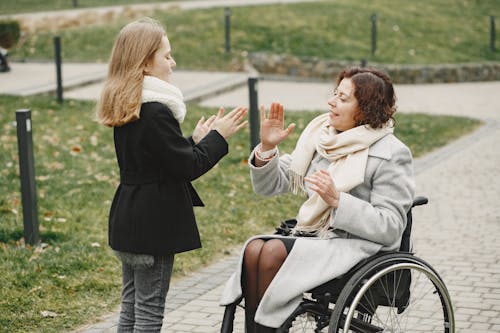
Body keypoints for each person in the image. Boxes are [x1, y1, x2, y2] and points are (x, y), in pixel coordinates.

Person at [220, 67, 415, 332]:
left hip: (357, 248)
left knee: (272, 251)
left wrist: (338, 201)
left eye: (343, 98)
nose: (331, 102)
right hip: (318, 239)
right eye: (335, 93)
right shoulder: (323, 138)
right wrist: (267, 149)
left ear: (365, 109)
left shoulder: (392, 153)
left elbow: (391, 227)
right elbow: (272, 185)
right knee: (254, 249)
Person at [96, 18, 247, 332]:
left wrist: (194, 141)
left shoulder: (129, 105)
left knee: (130, 307)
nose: (173, 62)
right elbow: (187, 167)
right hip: (154, 225)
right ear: (146, 64)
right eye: (166, 55)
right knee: (149, 313)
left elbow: (159, 159)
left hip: (129, 218)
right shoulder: (156, 111)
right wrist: (218, 137)